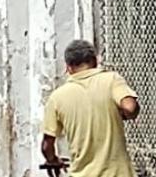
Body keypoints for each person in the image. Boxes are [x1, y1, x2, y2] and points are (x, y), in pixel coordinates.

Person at [41, 40, 141, 177]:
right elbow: (130, 107)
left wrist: (52, 160)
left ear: (68, 68)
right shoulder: (111, 80)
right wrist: (127, 114)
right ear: (95, 61)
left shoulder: (57, 98)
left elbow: (47, 145)